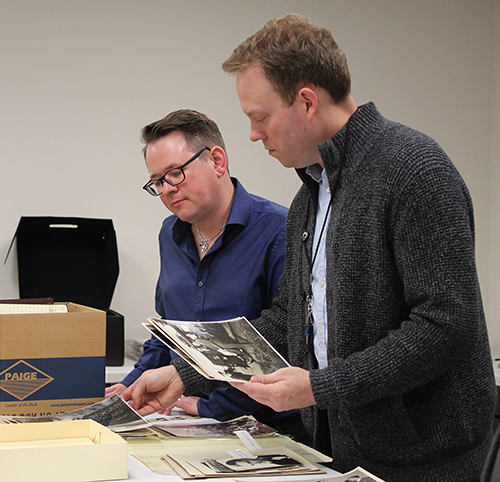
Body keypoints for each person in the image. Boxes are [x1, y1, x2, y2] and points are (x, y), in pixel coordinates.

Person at [122, 15, 496, 482]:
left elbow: (445, 327)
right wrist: (186, 375)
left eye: (259, 118)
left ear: (305, 102)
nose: (255, 135)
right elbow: (287, 322)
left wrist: (319, 387)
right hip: (341, 446)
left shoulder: (413, 170)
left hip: (423, 456)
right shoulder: (309, 199)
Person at [109, 108, 308, 441]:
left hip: (267, 426)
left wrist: (207, 406)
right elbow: (168, 332)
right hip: (184, 417)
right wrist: (130, 389)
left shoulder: (280, 229)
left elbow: (285, 340)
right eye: (157, 182)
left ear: (217, 161)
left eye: (175, 174)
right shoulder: (170, 234)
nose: (167, 189)